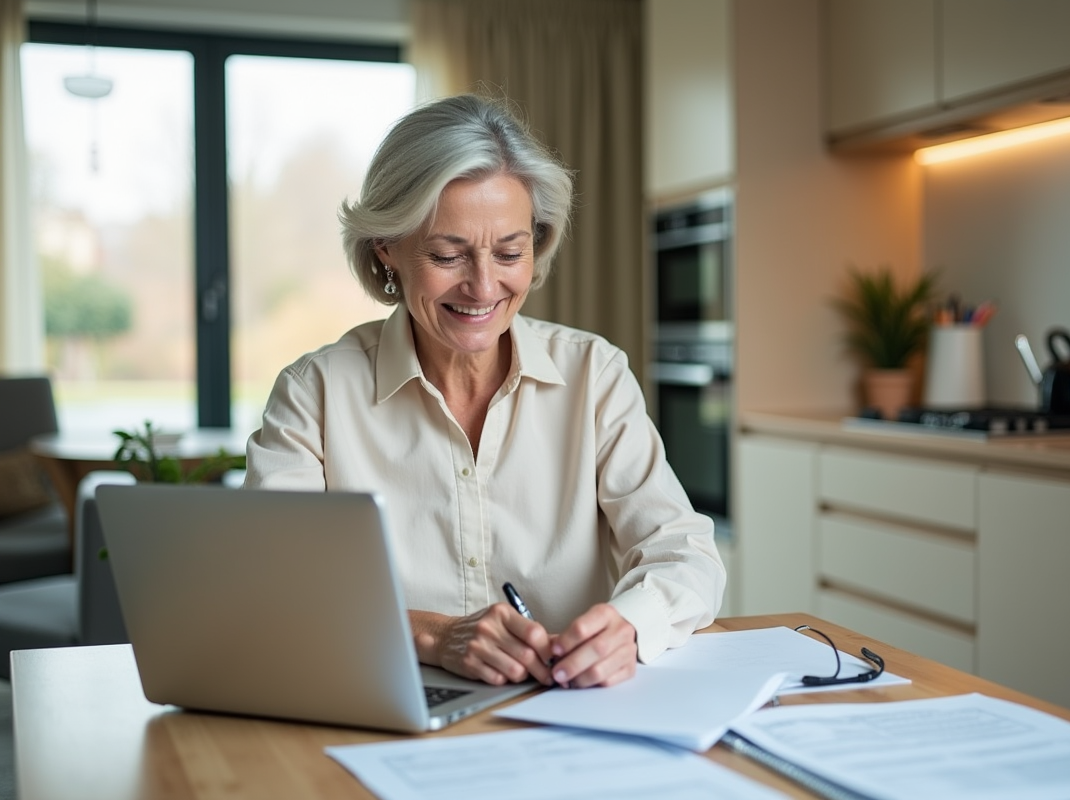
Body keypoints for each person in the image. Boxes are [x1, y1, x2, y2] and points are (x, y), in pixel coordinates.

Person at [244, 93, 725, 691]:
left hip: (567, 715)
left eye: (509, 252)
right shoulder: (313, 394)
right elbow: (276, 593)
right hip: (382, 710)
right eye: (448, 255)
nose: (483, 286)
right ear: (386, 248)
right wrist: (434, 635)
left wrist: (628, 627)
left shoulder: (593, 376)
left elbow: (684, 552)